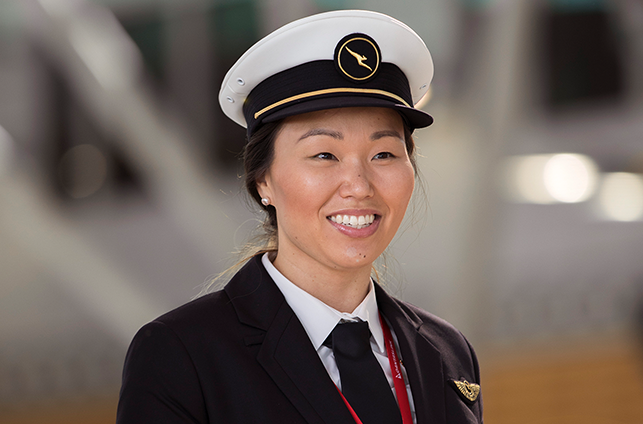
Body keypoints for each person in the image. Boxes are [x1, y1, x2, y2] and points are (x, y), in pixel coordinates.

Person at [116, 10, 482, 424]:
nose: (359, 185)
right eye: (324, 154)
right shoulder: (183, 356)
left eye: (384, 154)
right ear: (263, 182)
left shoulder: (447, 351)